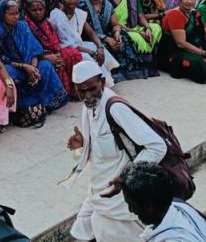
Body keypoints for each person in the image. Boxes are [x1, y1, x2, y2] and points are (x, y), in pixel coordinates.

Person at [64, 59, 168, 242]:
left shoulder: (116, 108)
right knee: (82, 231)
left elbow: (157, 146)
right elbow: (100, 149)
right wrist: (84, 144)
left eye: (92, 89)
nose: (87, 96)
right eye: (82, 91)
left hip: (119, 200)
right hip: (98, 190)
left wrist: (126, 176)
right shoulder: (88, 107)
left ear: (103, 82)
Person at [0, 0, 68, 127]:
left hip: (29, 63)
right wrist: (24, 67)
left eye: (17, 13)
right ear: (2, 14)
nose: (15, 17)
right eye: (11, 14)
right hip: (11, 65)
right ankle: (22, 106)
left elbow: (34, 48)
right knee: (8, 71)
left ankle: (45, 103)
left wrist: (33, 68)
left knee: (45, 66)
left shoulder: (22, 26)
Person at [118, 162, 206, 242]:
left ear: (148, 205)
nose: (131, 210)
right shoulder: (179, 207)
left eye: (132, 205)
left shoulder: (175, 239)